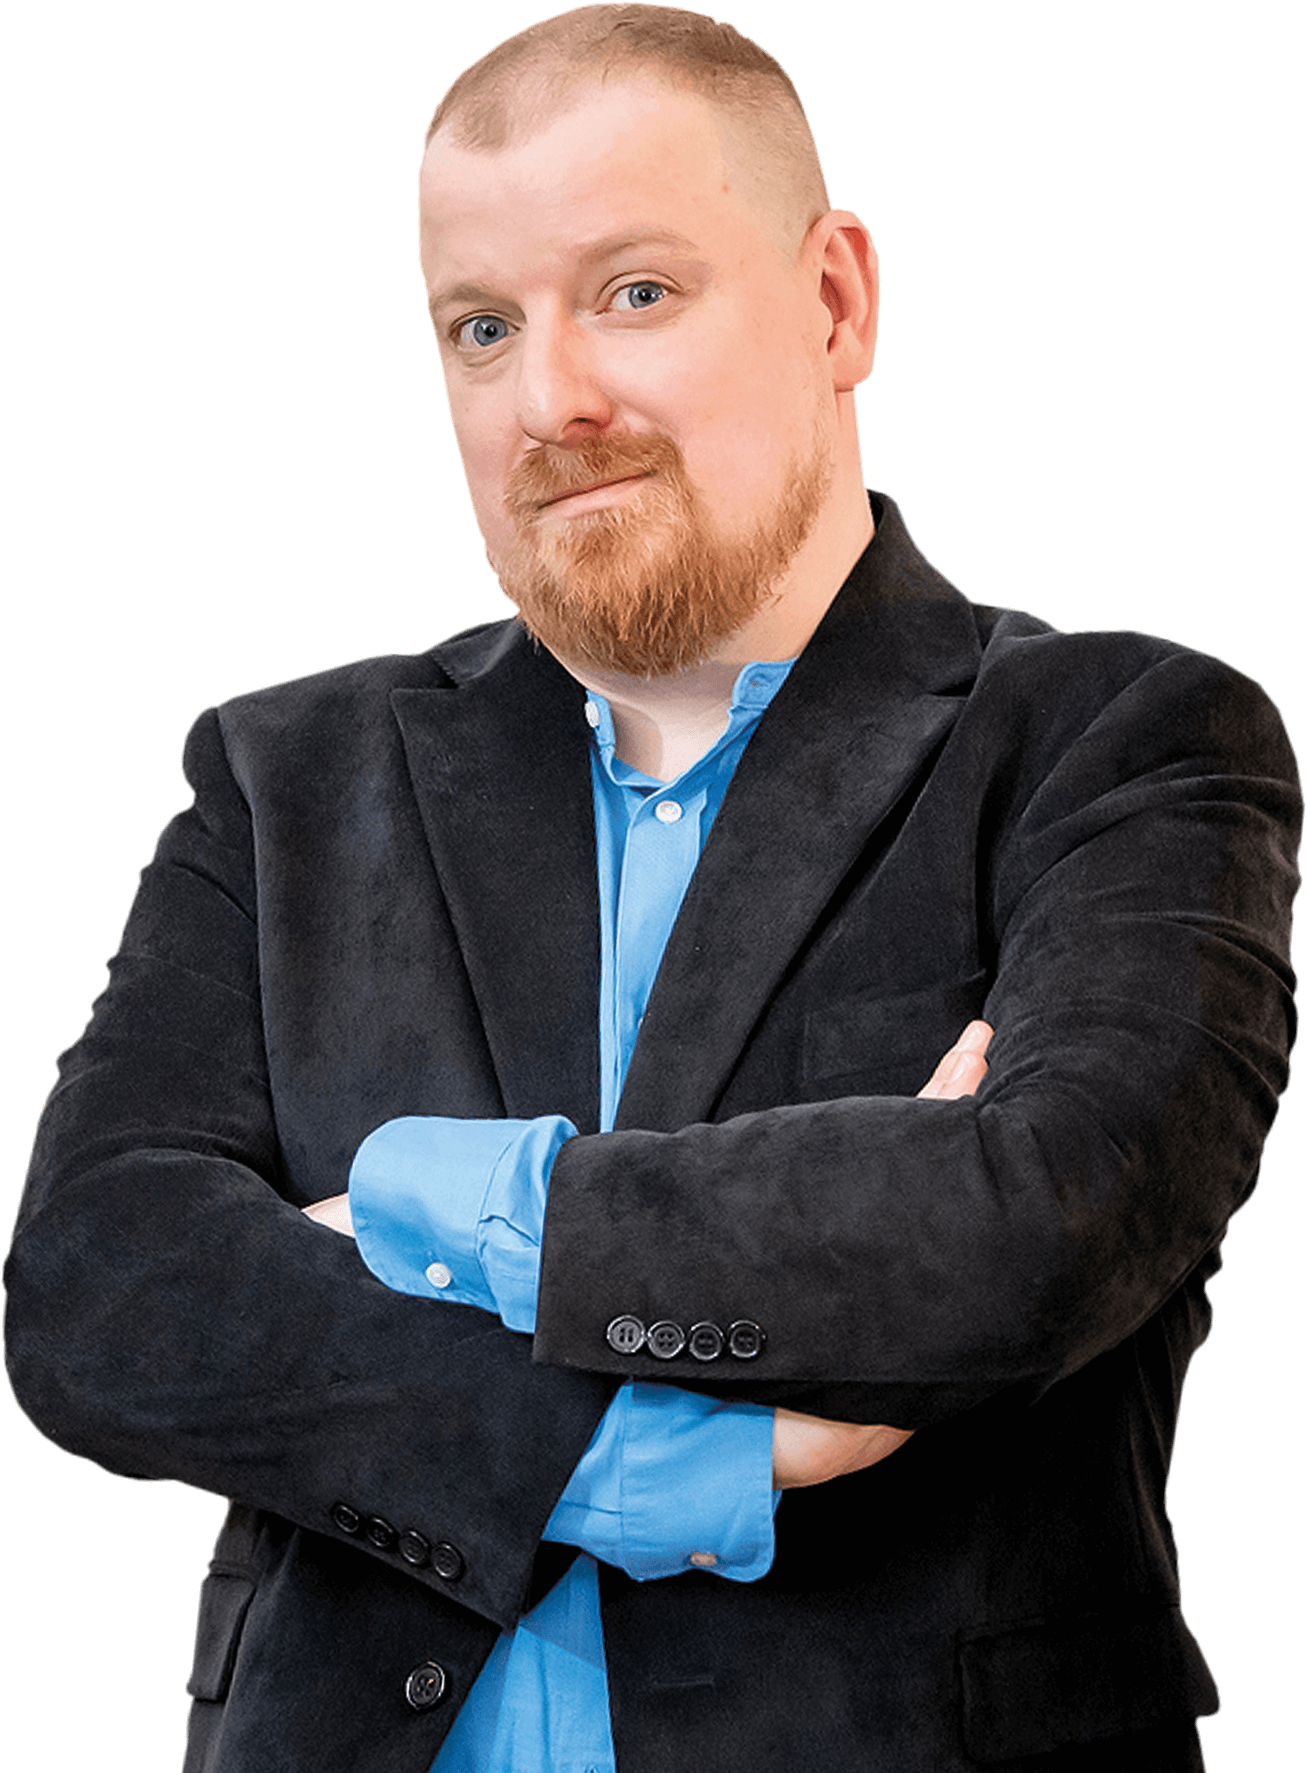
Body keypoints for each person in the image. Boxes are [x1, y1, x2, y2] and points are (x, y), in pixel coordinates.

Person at [4, 7, 1300, 1770]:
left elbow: (1038, 1223)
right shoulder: (282, 775)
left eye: (632, 292)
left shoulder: (1120, 740)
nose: (552, 400)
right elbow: (94, 1292)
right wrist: (662, 1458)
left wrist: (417, 1198)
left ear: (834, 303)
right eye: (481, 326)